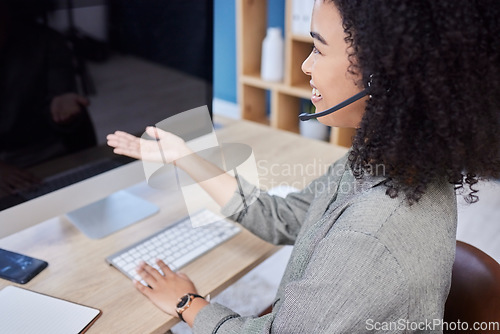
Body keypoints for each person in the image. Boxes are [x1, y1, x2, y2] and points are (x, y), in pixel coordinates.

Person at [107, 0, 500, 332]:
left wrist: (188, 303)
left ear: (385, 75)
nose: (306, 67)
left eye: (319, 48)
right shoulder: (384, 161)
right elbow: (287, 216)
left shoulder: (370, 235)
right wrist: (185, 158)